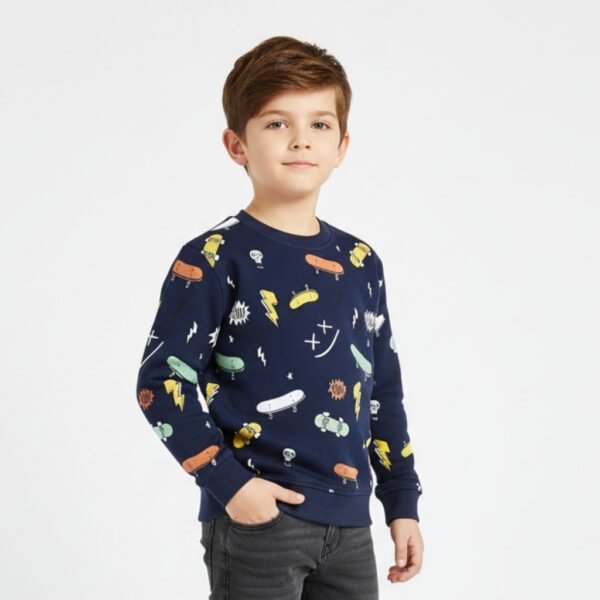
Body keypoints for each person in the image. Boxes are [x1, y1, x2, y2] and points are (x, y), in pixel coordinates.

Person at [136, 35, 424, 599]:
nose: (300, 139)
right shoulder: (214, 257)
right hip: (258, 521)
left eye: (319, 124)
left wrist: (401, 501)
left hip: (350, 525)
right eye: (276, 123)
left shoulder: (360, 262)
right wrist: (231, 486)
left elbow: (382, 391)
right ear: (236, 144)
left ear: (341, 145)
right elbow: (161, 382)